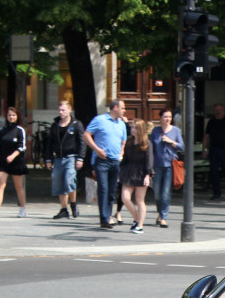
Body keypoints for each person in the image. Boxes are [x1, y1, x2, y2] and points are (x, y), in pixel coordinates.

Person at [83, 99, 126, 229]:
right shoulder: (100, 120)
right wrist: (96, 149)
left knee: (112, 190)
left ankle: (108, 215)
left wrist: (121, 154)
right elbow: (86, 135)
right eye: (122, 108)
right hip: (102, 160)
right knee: (103, 188)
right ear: (115, 108)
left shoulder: (121, 124)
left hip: (115, 161)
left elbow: (123, 141)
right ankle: (104, 219)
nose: (124, 110)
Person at [45, 100, 86, 219]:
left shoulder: (76, 124)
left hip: (71, 157)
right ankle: (64, 209)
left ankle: (73, 203)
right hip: (58, 158)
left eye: (63, 110)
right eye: (59, 110)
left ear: (69, 110)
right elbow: (49, 143)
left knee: (69, 181)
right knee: (58, 184)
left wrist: (80, 158)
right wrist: (48, 158)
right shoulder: (55, 125)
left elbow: (82, 142)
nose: (61, 112)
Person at [0, 107, 27, 218]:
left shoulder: (20, 130)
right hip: (3, 161)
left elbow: (21, 147)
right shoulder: (2, 131)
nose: (11, 117)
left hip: (17, 161)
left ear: (17, 116)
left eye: (13, 115)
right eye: (9, 115)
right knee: (0, 184)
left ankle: (23, 208)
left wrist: (13, 156)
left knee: (18, 186)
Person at [149, 108, 184, 229]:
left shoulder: (175, 131)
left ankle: (163, 217)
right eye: (165, 117)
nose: (168, 119)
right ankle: (160, 213)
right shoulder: (155, 131)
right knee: (157, 193)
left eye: (169, 117)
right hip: (157, 165)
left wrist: (171, 141)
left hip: (170, 165)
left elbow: (182, 146)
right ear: (160, 119)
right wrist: (150, 166)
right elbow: (151, 149)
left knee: (165, 193)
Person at [119, 118, 153, 233]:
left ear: (141, 129)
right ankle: (137, 218)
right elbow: (125, 159)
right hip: (129, 171)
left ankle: (140, 225)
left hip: (141, 172)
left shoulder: (147, 143)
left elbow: (149, 160)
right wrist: (120, 168)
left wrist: (148, 175)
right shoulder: (129, 141)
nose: (133, 130)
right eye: (132, 127)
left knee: (139, 200)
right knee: (125, 197)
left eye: (135, 128)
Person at [202, 103, 225, 199]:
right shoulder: (211, 122)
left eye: (220, 110)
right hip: (214, 149)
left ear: (223, 111)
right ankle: (216, 193)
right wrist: (204, 149)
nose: (218, 112)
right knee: (214, 172)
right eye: (216, 110)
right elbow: (206, 136)